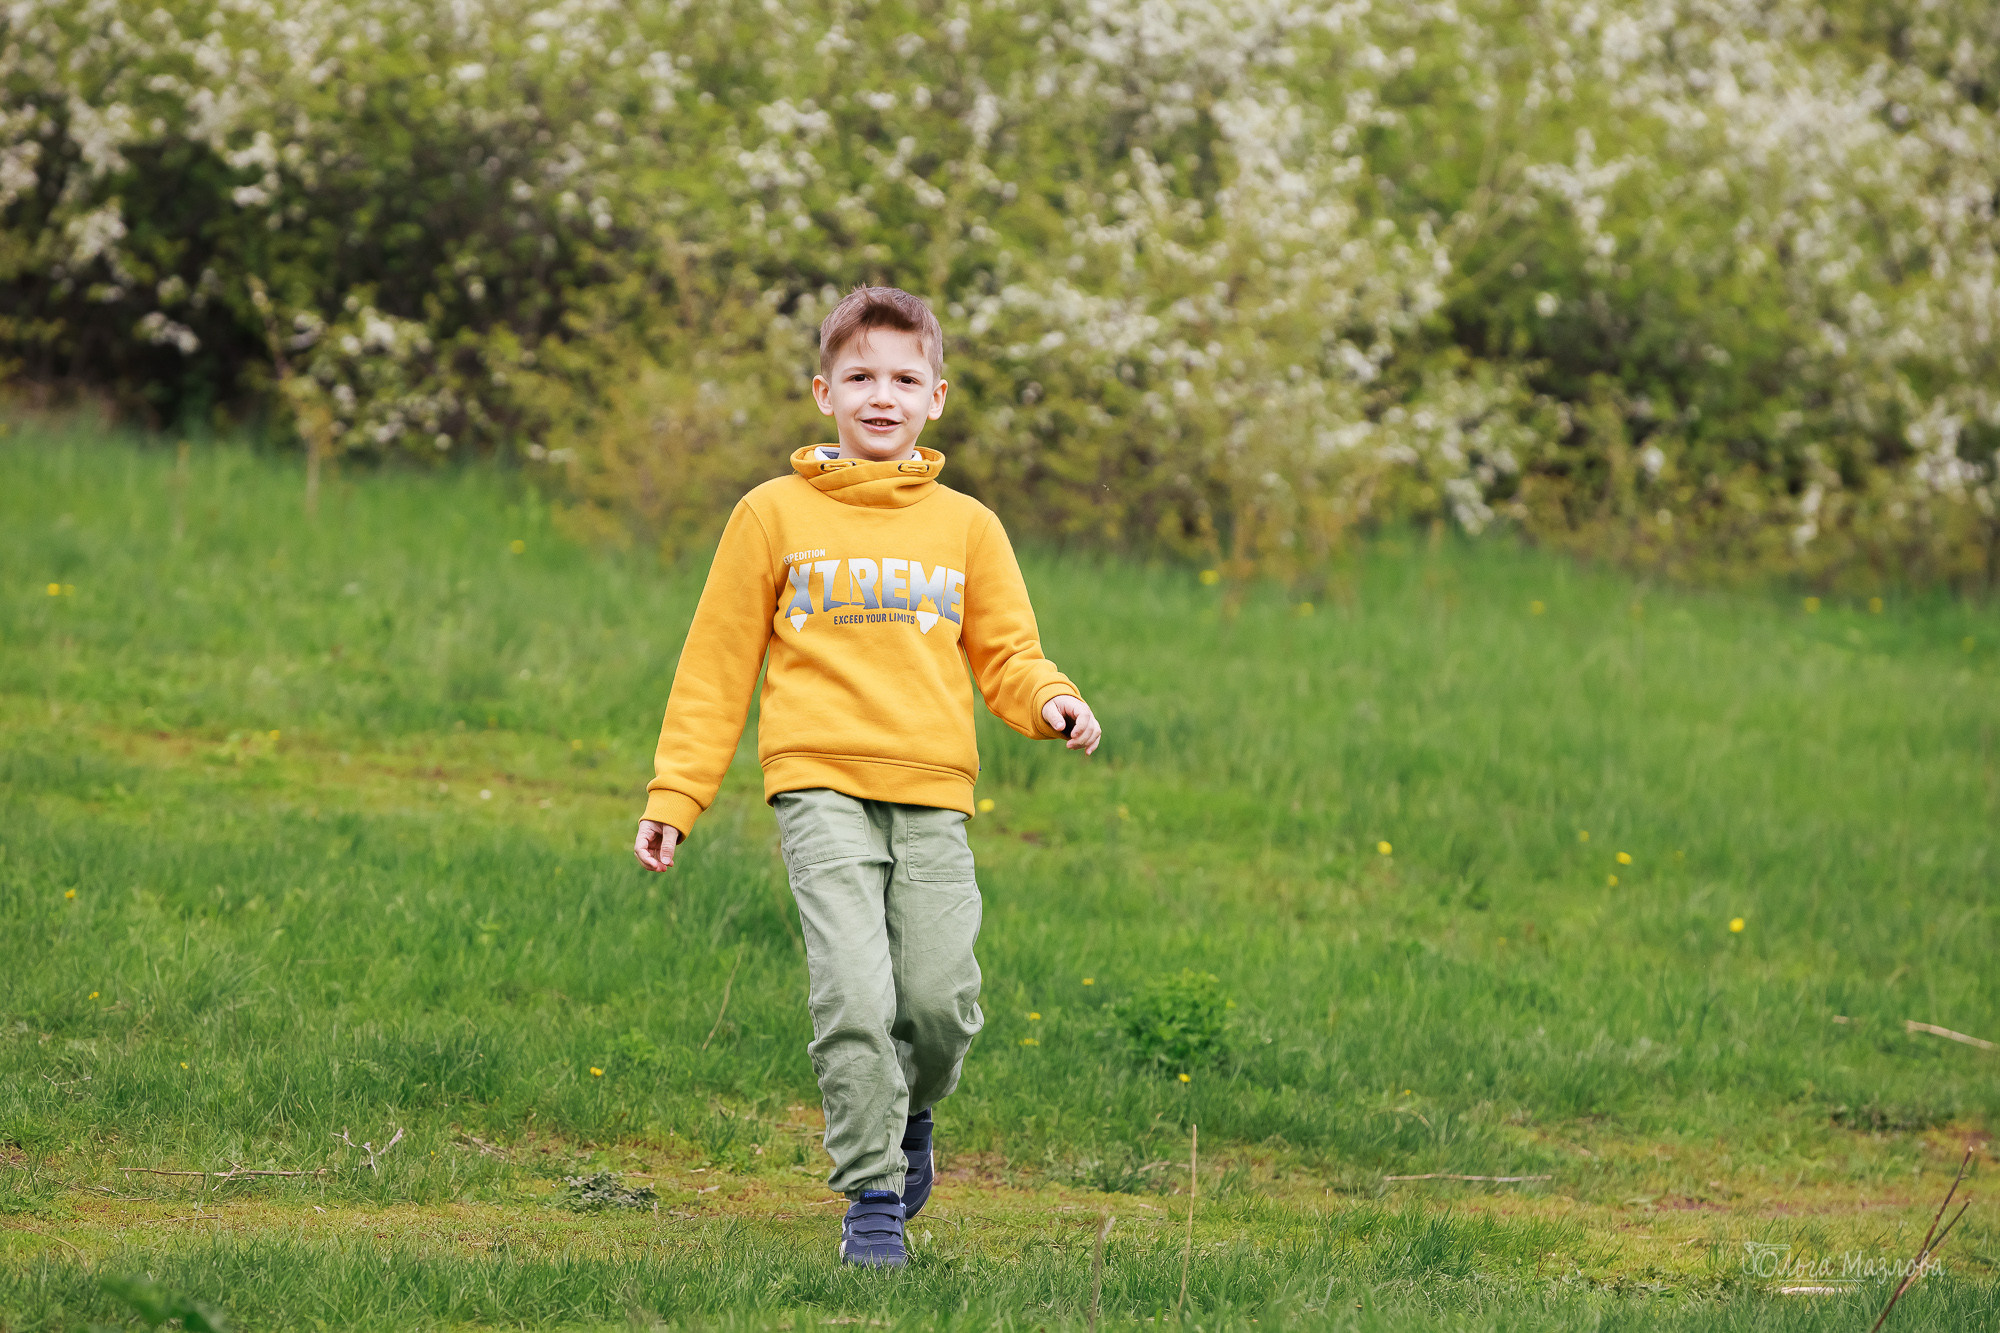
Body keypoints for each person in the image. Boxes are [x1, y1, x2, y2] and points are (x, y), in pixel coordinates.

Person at [632, 285, 1101, 1268]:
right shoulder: (771, 514)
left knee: (937, 1003)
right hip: (817, 787)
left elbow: (1009, 652)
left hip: (933, 795)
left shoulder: (968, 527)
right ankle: (871, 1198)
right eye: (858, 376)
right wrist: (677, 793)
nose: (879, 395)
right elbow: (716, 662)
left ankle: (911, 1110)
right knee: (851, 995)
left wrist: (1049, 698)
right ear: (822, 392)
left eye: (901, 377)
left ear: (936, 395)